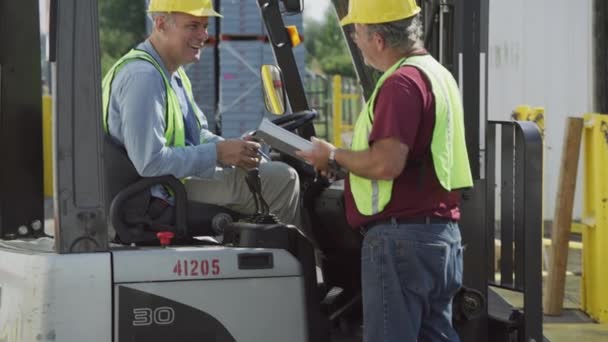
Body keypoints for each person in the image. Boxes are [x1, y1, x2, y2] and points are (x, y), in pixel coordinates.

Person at [297, 0, 473, 341]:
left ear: (378, 39)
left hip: (400, 240)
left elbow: (385, 163)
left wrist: (334, 155)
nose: (356, 41)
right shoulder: (437, 74)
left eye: (357, 32)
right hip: (440, 238)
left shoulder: (399, 84)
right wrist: (346, 165)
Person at [101, 0, 300, 239]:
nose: (203, 35)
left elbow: (195, 134)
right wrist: (217, 153)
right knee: (283, 179)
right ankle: (278, 264)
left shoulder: (173, 74)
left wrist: (233, 148)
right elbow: (150, 162)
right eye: (193, 25)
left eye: (205, 26)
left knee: (265, 169)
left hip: (171, 181)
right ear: (161, 24)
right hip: (157, 193)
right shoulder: (143, 78)